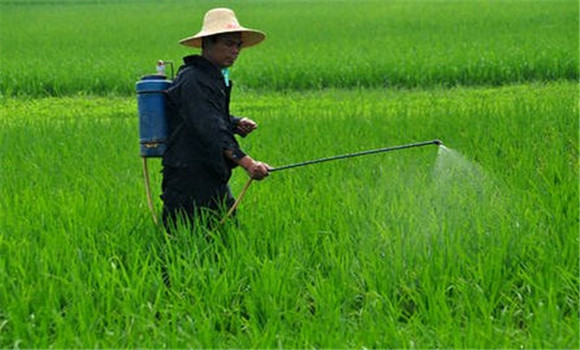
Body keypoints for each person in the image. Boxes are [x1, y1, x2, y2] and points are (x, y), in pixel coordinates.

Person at [161, 8, 270, 231]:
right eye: (228, 44)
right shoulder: (192, 79)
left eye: (238, 45)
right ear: (208, 43)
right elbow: (209, 128)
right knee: (180, 242)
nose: (235, 51)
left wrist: (234, 123)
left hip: (211, 173)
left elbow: (210, 116)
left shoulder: (211, 78)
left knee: (226, 235)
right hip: (187, 178)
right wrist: (248, 163)